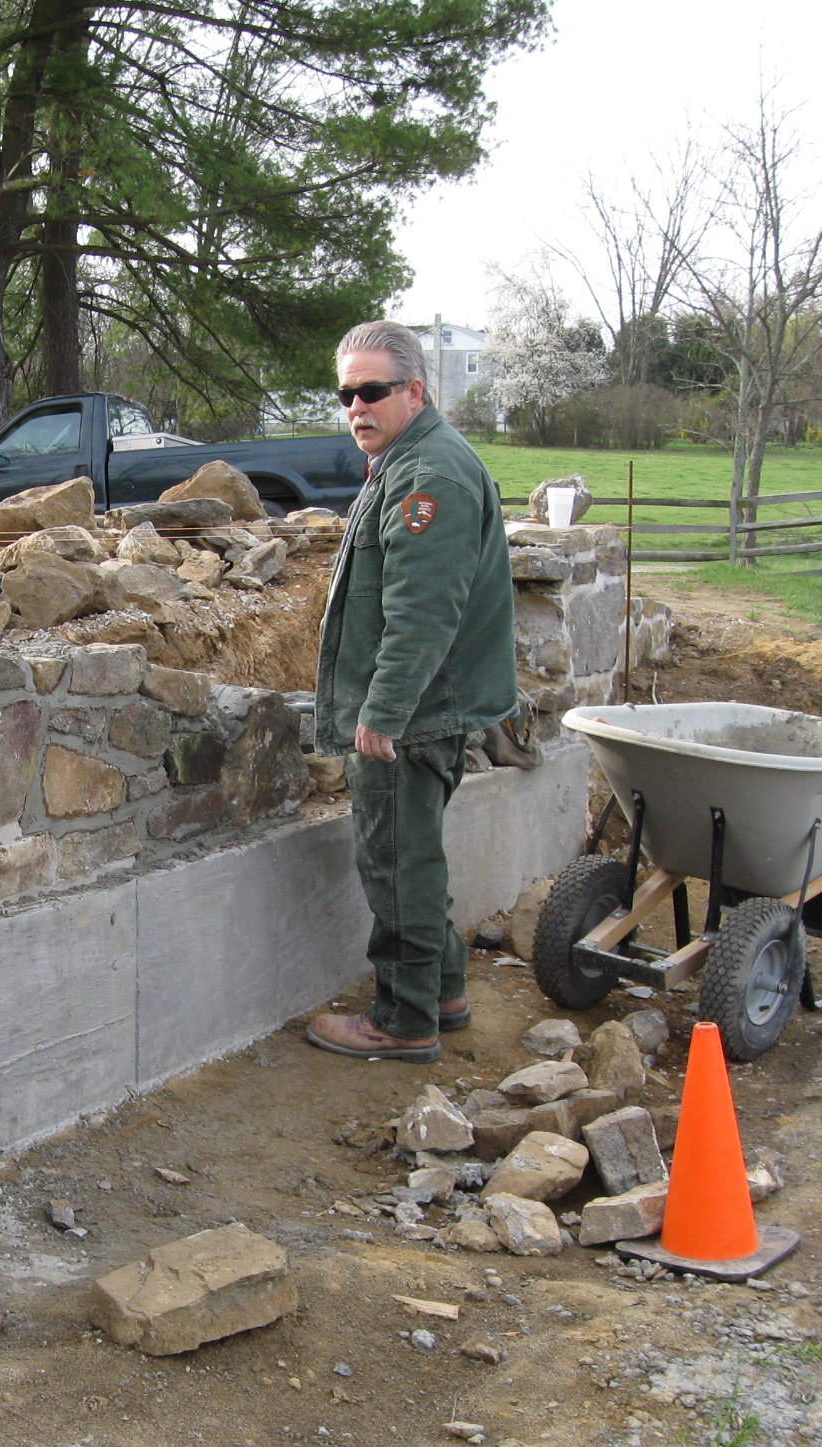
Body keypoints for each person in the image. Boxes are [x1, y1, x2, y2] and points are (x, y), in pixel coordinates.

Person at [303, 320, 516, 1065]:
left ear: (415, 391)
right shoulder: (409, 461)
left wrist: (382, 712)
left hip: (414, 714)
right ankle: (444, 993)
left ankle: (403, 1019)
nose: (356, 406)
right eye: (345, 393)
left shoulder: (430, 478)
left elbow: (424, 612)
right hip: (423, 708)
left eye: (372, 391)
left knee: (397, 866)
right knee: (415, 857)